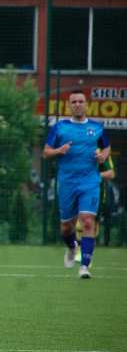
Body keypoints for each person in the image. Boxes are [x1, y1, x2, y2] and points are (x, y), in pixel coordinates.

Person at [43, 90, 110, 279]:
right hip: (67, 182)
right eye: (74, 102)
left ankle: (85, 267)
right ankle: (72, 247)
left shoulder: (97, 128)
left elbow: (106, 147)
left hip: (90, 181)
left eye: (81, 101)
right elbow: (46, 153)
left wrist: (103, 156)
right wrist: (59, 150)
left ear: (86, 104)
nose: (78, 104)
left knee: (87, 220)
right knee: (66, 227)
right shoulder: (60, 127)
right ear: (69, 105)